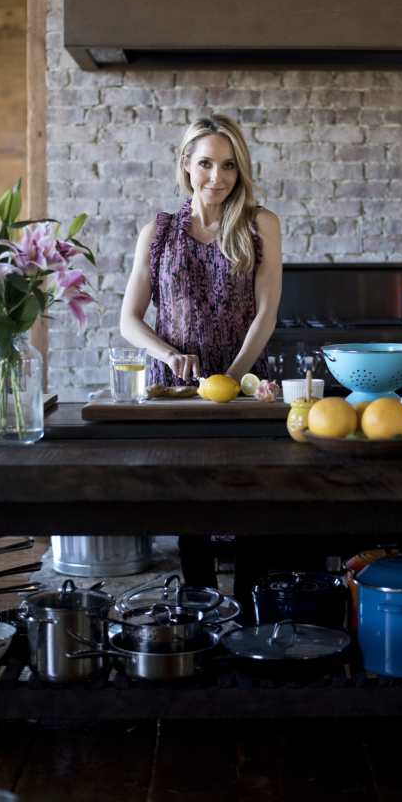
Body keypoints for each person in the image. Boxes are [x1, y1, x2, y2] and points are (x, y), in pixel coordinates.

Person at [120, 113, 282, 598]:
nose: (218, 177)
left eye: (229, 165)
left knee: (251, 508)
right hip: (178, 393)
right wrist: (168, 354)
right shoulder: (159, 232)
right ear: (186, 164)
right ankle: (203, 619)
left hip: (247, 386)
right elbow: (128, 321)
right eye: (207, 163)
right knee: (191, 511)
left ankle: (252, 626)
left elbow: (268, 312)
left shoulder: (259, 224)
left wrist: (232, 380)